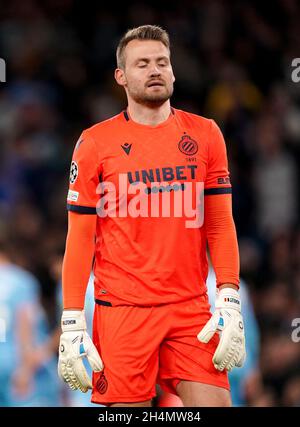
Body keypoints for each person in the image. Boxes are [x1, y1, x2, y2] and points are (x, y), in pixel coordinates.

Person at [58, 25, 246, 407]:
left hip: (191, 308)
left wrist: (228, 295)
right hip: (122, 313)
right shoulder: (94, 142)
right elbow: (79, 236)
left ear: (174, 71)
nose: (155, 70)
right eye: (142, 64)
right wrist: (72, 319)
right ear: (121, 77)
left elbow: (220, 223)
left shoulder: (206, 134)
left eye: (162, 62)